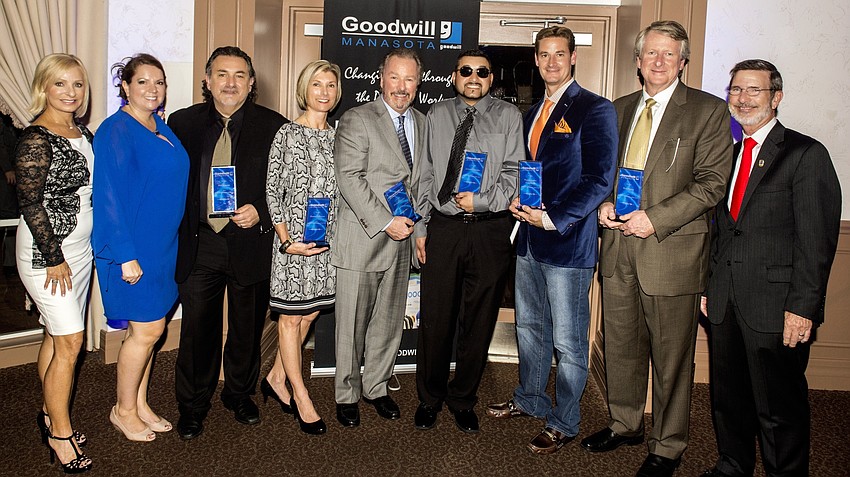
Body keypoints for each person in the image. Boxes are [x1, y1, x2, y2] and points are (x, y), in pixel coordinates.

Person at [585, 20, 733, 477]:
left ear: (683, 62)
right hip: (618, 249)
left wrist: (656, 218)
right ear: (637, 61)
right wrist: (604, 204)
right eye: (650, 53)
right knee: (623, 347)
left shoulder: (708, 111)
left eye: (669, 54)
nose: (658, 61)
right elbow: (602, 173)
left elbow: (711, 184)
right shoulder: (617, 109)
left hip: (670, 251)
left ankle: (668, 445)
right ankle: (625, 422)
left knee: (671, 359)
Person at [700, 60, 841, 477]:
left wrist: (803, 307)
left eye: (753, 91)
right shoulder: (728, 153)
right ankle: (732, 464)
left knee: (779, 407)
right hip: (726, 300)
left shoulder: (805, 154)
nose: (742, 99)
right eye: (736, 90)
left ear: (776, 97)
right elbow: (723, 230)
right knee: (729, 398)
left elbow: (817, 243)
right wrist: (710, 286)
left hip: (777, 306)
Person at [485, 26, 618, 454]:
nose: (552, 62)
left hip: (567, 243)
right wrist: (518, 200)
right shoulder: (529, 113)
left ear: (573, 58)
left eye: (560, 54)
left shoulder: (595, 109)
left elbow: (600, 179)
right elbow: (531, 173)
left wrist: (553, 217)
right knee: (529, 329)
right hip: (527, 240)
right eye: (544, 55)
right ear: (536, 60)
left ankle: (565, 420)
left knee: (569, 342)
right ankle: (530, 398)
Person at [169, 46, 287, 440]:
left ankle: (238, 393)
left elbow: (287, 189)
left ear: (251, 83)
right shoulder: (181, 123)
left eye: (239, 75)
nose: (230, 83)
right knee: (197, 330)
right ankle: (193, 404)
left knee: (246, 329)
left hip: (250, 242)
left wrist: (264, 213)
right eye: (222, 74)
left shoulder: (275, 126)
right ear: (207, 80)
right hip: (200, 242)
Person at [413, 49, 522, 434]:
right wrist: (420, 226)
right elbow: (424, 174)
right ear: (454, 76)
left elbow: (514, 172)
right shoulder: (436, 116)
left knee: (479, 320)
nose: (473, 77)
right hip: (444, 228)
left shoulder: (510, 117)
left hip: (490, 229)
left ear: (492, 78)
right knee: (437, 318)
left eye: (482, 72)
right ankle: (429, 398)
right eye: (466, 71)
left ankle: (462, 399)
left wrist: (484, 199)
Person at [92, 54, 188, 442]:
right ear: (126, 87)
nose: (153, 89)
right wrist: (126, 255)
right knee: (146, 330)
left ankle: (141, 403)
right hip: (131, 249)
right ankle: (123, 410)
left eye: (159, 82)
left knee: (151, 328)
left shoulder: (160, 126)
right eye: (143, 82)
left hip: (163, 248)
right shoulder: (115, 130)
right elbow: (108, 196)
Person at [332, 48, 424, 428]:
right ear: (381, 78)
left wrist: (418, 228)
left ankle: (377, 387)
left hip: (402, 242)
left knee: (388, 322)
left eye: (409, 79)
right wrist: (387, 222)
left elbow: (418, 182)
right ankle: (346, 393)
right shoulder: (357, 119)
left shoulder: (422, 121)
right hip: (364, 237)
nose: (401, 87)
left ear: (418, 83)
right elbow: (349, 178)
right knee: (351, 325)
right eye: (394, 77)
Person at [15, 53, 94, 473]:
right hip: (48, 255)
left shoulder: (81, 131)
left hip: (79, 253)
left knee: (54, 336)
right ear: (44, 87)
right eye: (61, 84)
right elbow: (29, 202)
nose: (70, 92)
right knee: (70, 342)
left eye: (78, 84)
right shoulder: (36, 137)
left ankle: (50, 413)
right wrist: (53, 257)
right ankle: (60, 436)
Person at [260, 60, 341, 436]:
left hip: (326, 245)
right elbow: (272, 190)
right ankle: (301, 394)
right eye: (317, 84)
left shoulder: (341, 136)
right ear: (304, 90)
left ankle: (276, 376)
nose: (324, 92)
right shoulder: (286, 134)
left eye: (330, 85)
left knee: (310, 315)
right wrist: (286, 239)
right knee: (291, 320)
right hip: (292, 245)